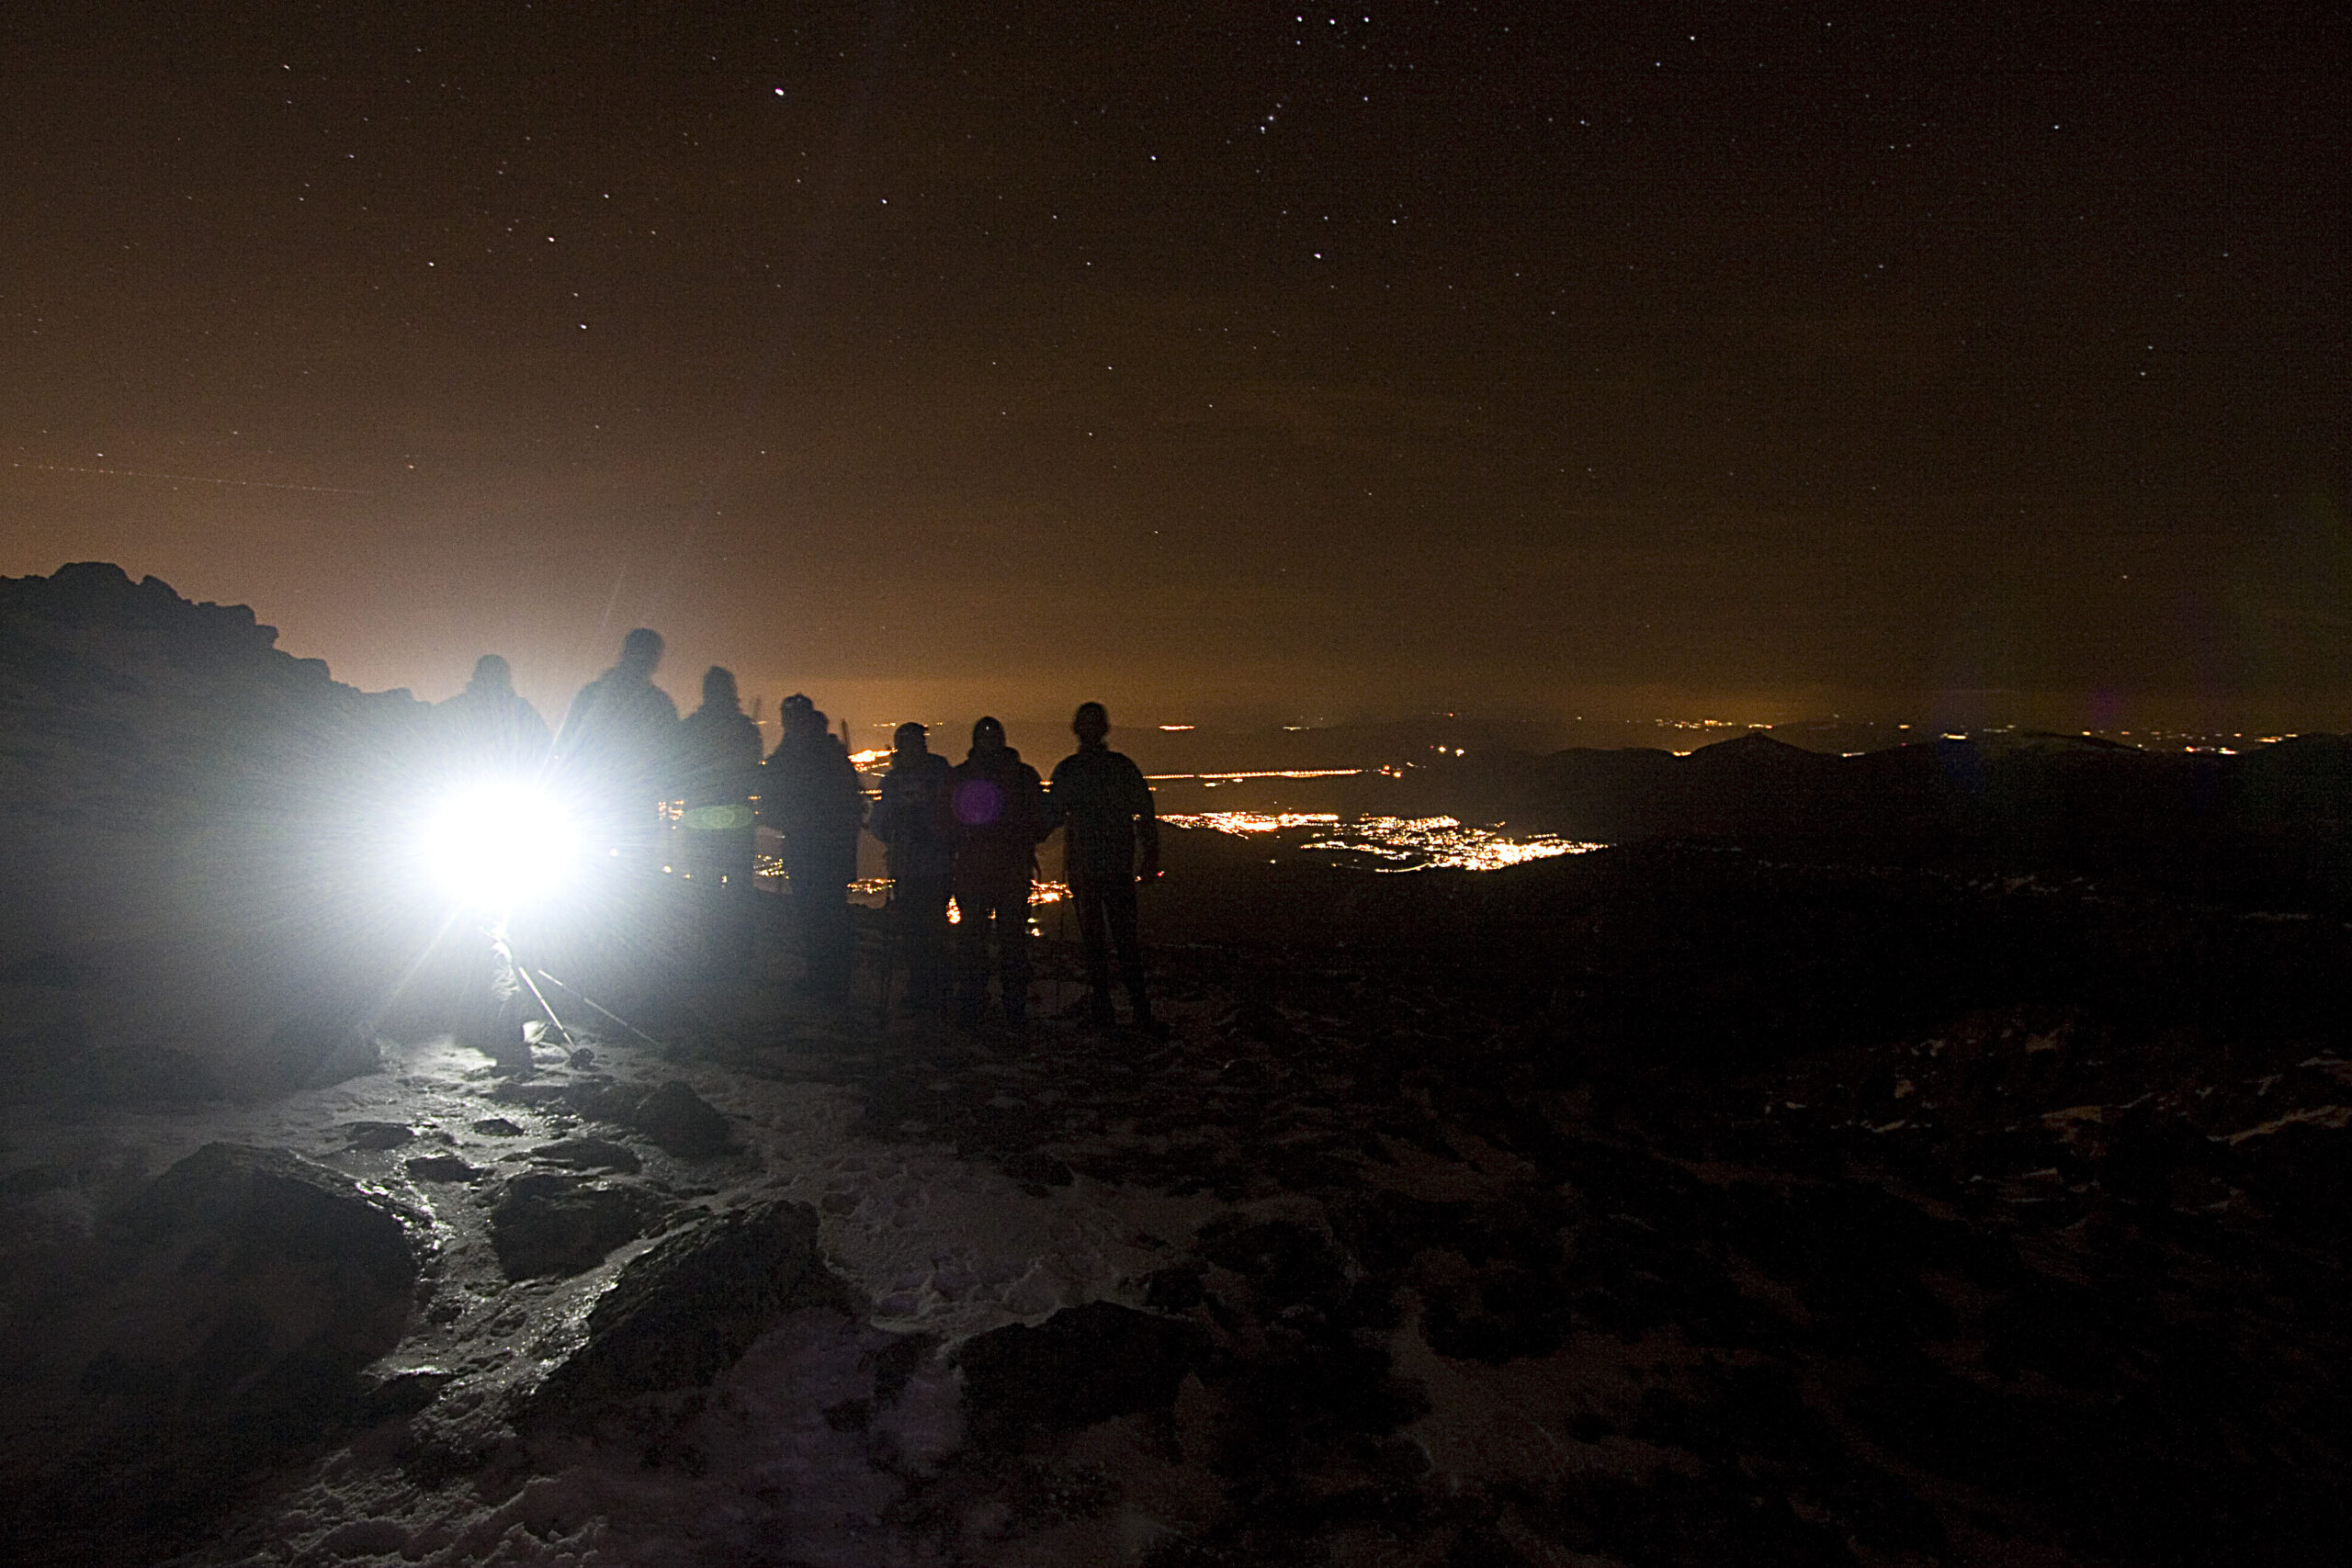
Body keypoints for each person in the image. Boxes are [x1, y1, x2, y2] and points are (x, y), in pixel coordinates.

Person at [431, 654, 551, 1074]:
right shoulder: (523, 716)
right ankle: (502, 1001)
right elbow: (547, 763)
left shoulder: (454, 714)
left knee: (475, 923)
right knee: (501, 922)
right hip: (502, 827)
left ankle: (481, 1000)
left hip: (468, 827)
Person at [1048, 702, 1163, 1032]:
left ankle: (1106, 1011)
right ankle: (1138, 1012)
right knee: (1124, 942)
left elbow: (1052, 814)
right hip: (1113, 865)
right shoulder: (1120, 767)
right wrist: (1149, 855)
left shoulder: (1070, 769)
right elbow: (1144, 813)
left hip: (1089, 868)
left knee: (1097, 944)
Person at [761, 694, 865, 1002]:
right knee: (813, 914)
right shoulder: (800, 753)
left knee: (827, 914)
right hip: (808, 847)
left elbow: (843, 805)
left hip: (824, 849)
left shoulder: (820, 756)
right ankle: (823, 978)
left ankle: (833, 982)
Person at [947, 716, 1049, 1028]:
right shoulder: (1022, 776)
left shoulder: (961, 777)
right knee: (1007, 942)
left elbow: (946, 823)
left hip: (979, 872)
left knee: (979, 941)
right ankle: (1011, 1006)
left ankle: (976, 1003)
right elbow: (1041, 823)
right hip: (1005, 871)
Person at [554, 627, 679, 860]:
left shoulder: (592, 695)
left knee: (589, 864)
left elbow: (567, 744)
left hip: (593, 796)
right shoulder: (658, 703)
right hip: (638, 797)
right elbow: (672, 753)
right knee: (639, 866)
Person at [676, 666, 764, 974]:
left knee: (706, 890)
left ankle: (712, 953)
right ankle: (740, 953)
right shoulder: (744, 729)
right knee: (739, 890)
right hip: (736, 821)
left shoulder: (690, 728)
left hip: (700, 822)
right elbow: (753, 772)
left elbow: (678, 771)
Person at [867, 721, 955, 1019]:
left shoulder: (931, 778)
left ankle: (933, 988)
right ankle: (925, 987)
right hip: (910, 864)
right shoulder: (899, 782)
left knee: (928, 928)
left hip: (930, 864)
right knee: (917, 930)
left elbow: (947, 817)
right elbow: (881, 824)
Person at [434, 654, 552, 780]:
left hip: (514, 783)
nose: (492, 681)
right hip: (462, 782)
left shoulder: (522, 710)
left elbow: (544, 746)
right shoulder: (522, 710)